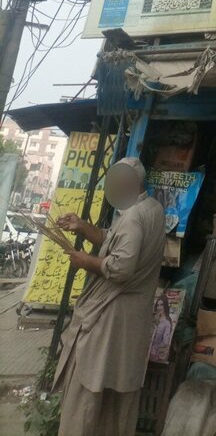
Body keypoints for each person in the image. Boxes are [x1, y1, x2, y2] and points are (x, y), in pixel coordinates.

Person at [54, 156, 166, 436]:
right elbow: (113, 238)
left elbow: (120, 268)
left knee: (87, 390)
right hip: (130, 323)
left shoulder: (133, 218)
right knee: (117, 396)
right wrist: (82, 226)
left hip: (109, 318)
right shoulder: (151, 209)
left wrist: (85, 261)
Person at [149, 293, 173, 363]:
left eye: (162, 305)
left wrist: (154, 350)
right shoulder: (154, 319)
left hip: (154, 356)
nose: (159, 307)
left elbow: (165, 342)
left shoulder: (167, 323)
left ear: (165, 306)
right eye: (158, 305)